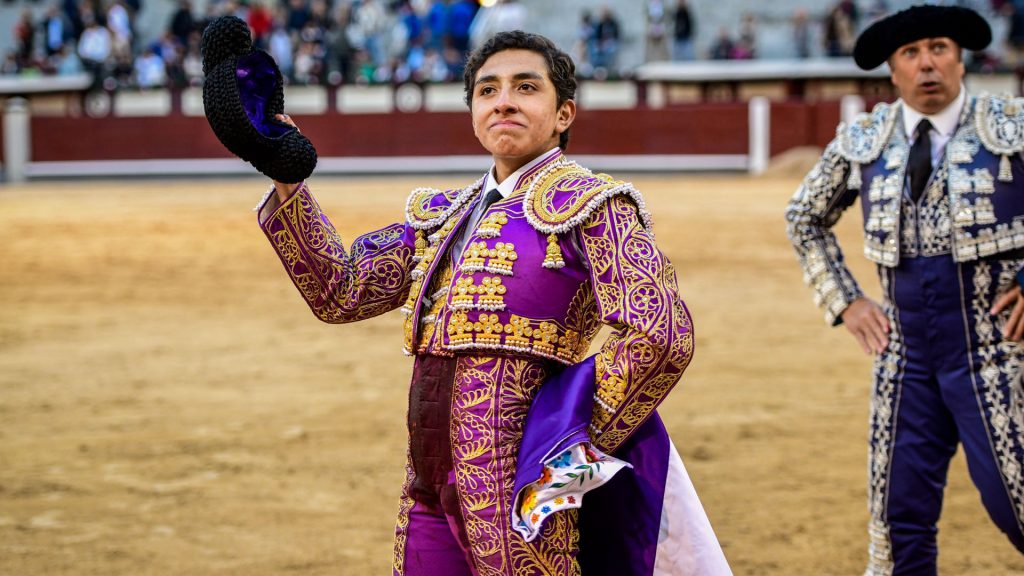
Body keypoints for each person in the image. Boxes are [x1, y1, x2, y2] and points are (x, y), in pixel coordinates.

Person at [256, 29, 728, 576]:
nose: (503, 100)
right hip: (426, 479)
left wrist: (571, 449)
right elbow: (342, 291)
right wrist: (286, 179)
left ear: (564, 113)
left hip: (521, 477)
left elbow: (661, 333)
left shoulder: (595, 206)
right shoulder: (446, 215)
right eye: (487, 90)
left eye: (525, 87)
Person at [785, 5, 1024, 574]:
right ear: (892, 71)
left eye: (938, 48)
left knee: (1016, 503)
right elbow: (803, 217)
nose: (927, 65)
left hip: (999, 353)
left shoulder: (1011, 126)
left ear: (960, 58)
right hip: (905, 356)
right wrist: (845, 298)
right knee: (898, 522)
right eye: (910, 54)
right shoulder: (866, 138)